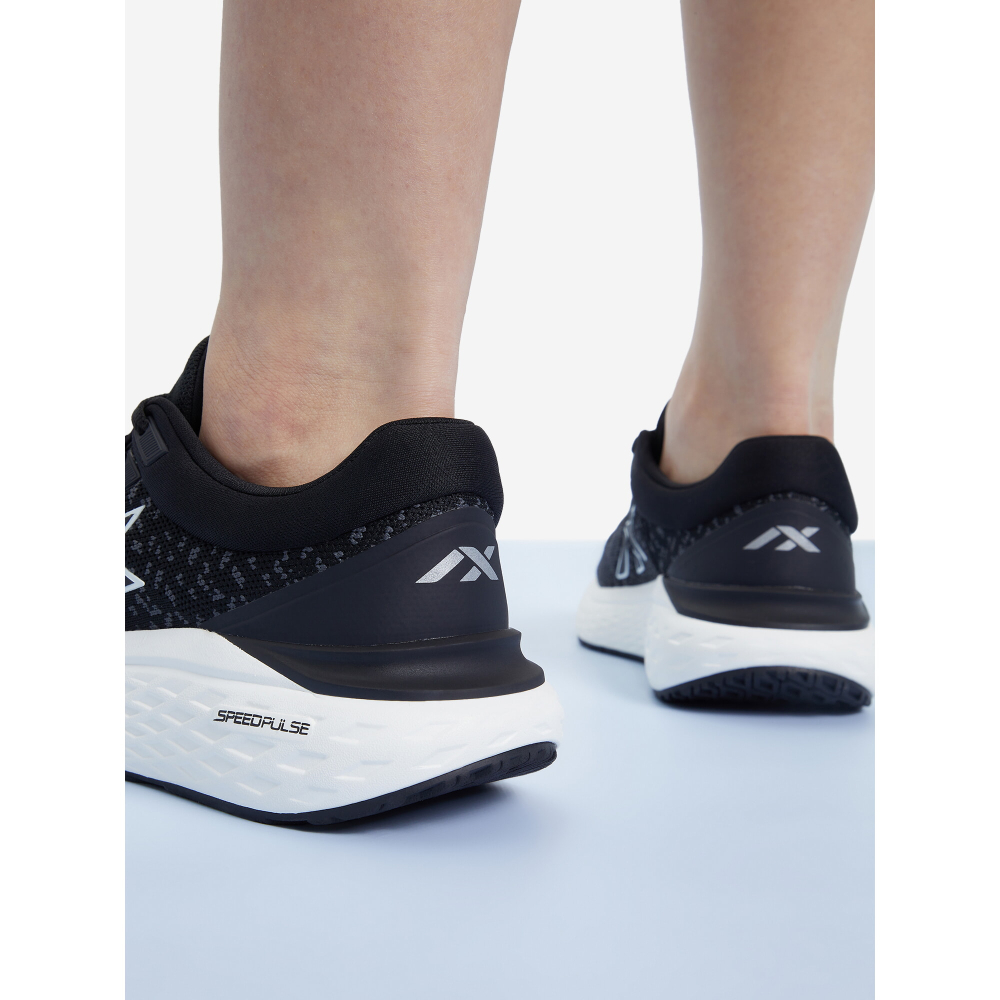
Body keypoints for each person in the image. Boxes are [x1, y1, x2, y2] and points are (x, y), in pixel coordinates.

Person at [125, 1, 874, 825]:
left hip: (307, 565)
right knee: (767, 401)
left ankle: (309, 437)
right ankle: (766, 450)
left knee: (323, 382)